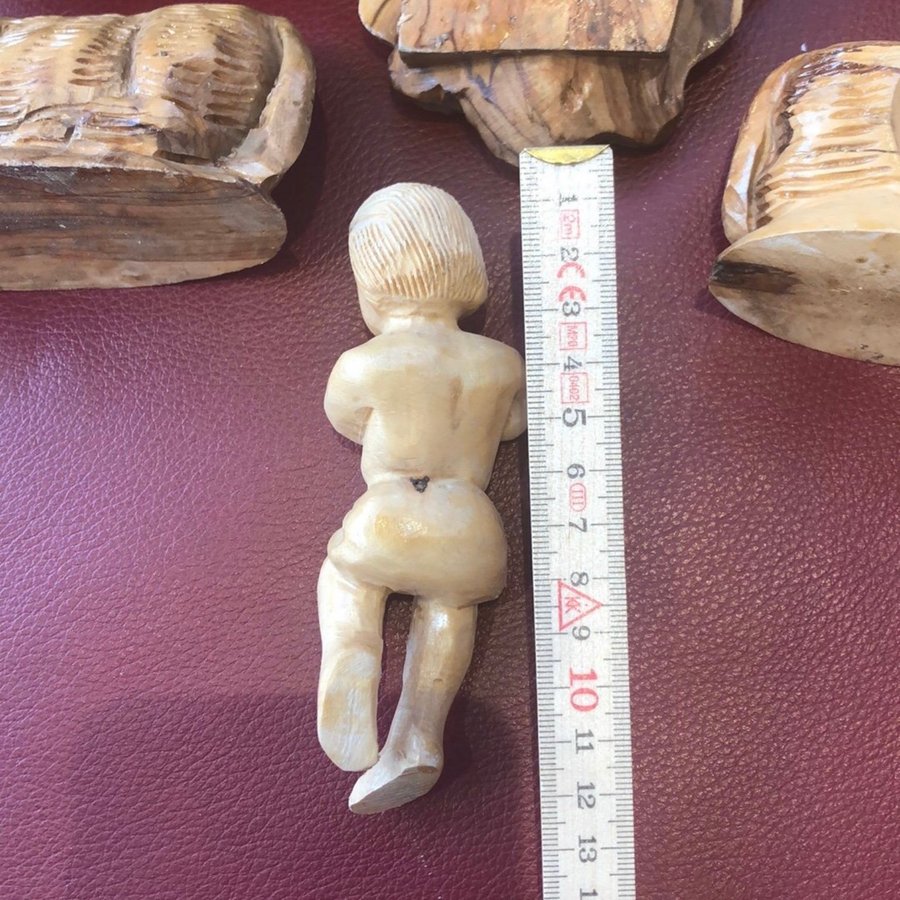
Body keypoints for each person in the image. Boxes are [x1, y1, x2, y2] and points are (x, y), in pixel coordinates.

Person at [318, 183, 525, 813]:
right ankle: (418, 735)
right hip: (468, 521)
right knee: (448, 612)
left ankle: (353, 648)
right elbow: (513, 426)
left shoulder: (363, 362)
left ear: (372, 283)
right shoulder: (501, 362)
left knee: (349, 577)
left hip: (389, 509)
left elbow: (346, 419)